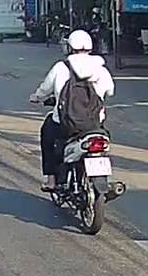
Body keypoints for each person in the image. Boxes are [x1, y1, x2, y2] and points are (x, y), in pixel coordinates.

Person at [29, 29, 115, 192]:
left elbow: (45, 89)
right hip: (93, 123)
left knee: (47, 133)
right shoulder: (100, 69)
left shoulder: (61, 67)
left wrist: (36, 97)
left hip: (65, 124)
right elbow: (110, 91)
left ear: (69, 48)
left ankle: (51, 179)